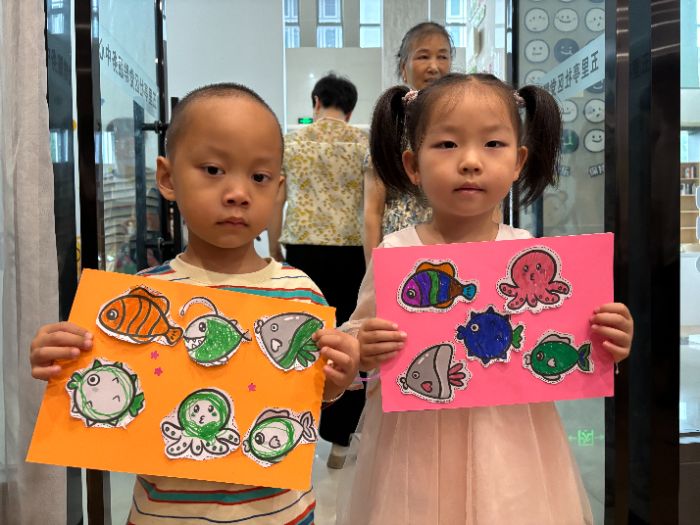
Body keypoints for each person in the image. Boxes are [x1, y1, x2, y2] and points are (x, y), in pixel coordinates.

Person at [29, 83, 361, 525]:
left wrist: (337, 382)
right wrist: (59, 357)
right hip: (164, 515)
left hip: (278, 514)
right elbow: (103, 397)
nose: (238, 192)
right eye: (213, 170)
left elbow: (306, 402)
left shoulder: (301, 293)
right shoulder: (142, 295)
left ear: (278, 188)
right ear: (167, 178)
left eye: (259, 177)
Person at [337, 73, 635, 524]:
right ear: (413, 164)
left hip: (513, 442)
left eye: (493, 144)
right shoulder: (397, 252)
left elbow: (566, 337)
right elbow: (355, 334)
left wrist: (609, 337)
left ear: (518, 161)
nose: (471, 162)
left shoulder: (529, 253)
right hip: (416, 445)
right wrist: (361, 347)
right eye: (447, 144)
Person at [268, 73, 368, 469]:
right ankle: (342, 442)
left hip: (303, 250)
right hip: (351, 252)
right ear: (350, 109)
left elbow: (277, 200)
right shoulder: (363, 143)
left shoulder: (292, 143)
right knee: (346, 341)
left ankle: (295, 433)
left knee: (300, 338)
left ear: (316, 101)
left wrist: (273, 246)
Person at [363, 21, 454, 263]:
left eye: (442, 56)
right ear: (404, 68)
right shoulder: (390, 125)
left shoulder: (463, 121)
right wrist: (374, 271)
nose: (434, 66)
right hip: (401, 248)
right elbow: (372, 211)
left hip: (455, 243)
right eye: (423, 56)